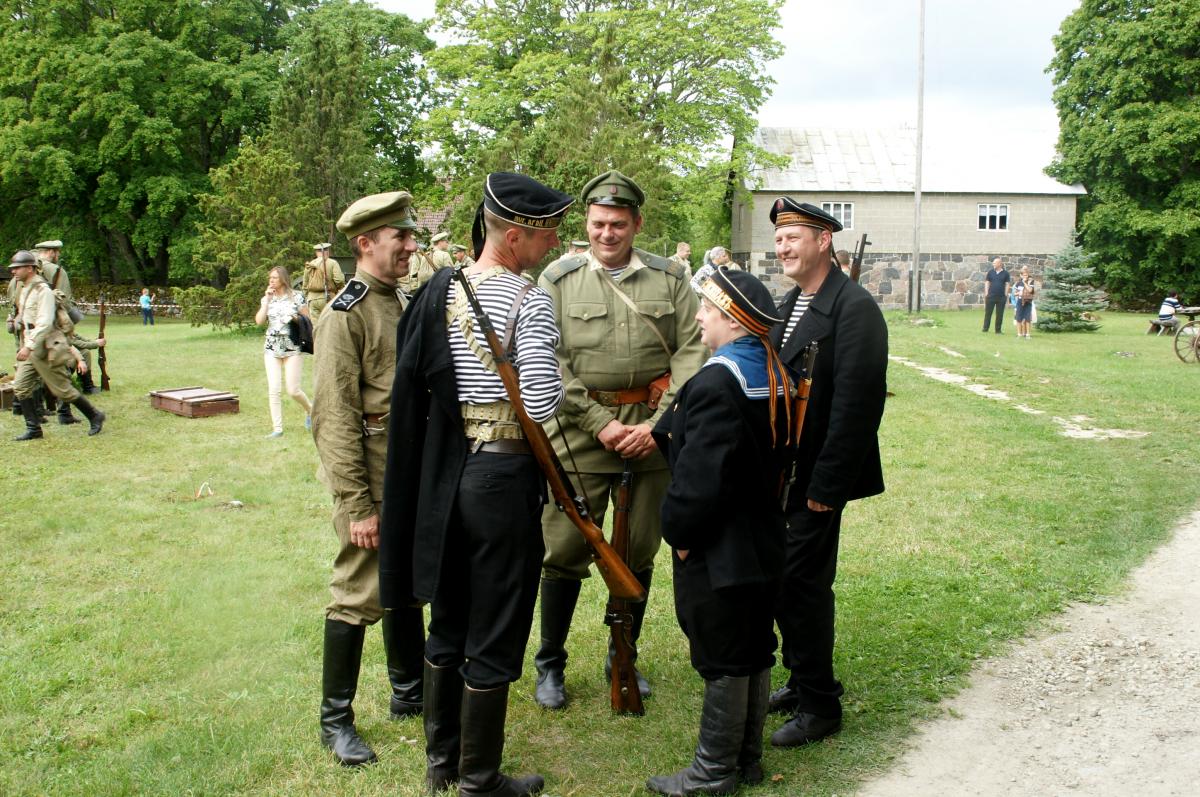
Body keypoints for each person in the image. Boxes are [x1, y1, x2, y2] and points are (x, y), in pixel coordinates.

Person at [379, 172, 573, 796]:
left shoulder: (437, 290)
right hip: (503, 476)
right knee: (495, 623)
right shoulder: (530, 299)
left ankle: (442, 766)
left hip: (448, 471)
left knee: (451, 616)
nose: (553, 244)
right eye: (546, 234)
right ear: (514, 237)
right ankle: (480, 779)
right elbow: (541, 402)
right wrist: (563, 381)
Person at [532, 169, 707, 710]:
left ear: (637, 224)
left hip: (651, 433)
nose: (608, 234)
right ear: (586, 223)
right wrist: (599, 423)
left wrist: (658, 427)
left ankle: (622, 655)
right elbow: (548, 362)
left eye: (619, 224)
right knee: (562, 550)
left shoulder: (671, 280)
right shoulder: (557, 281)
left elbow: (693, 351)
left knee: (637, 550)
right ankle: (551, 664)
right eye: (599, 223)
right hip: (580, 433)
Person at [647, 268, 795, 796]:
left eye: (707, 309)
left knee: (727, 651)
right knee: (753, 645)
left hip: (722, 547)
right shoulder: (776, 371)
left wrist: (680, 534)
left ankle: (712, 774)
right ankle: (746, 760)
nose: (698, 317)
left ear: (733, 320)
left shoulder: (716, 382)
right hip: (764, 536)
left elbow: (700, 479)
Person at [309, 191, 427, 767]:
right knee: (359, 590)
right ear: (365, 243)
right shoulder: (345, 313)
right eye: (400, 237)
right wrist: (357, 505)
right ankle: (336, 721)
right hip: (371, 470)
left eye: (410, 235)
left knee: (404, 581)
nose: (412, 245)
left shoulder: (400, 300)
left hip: (409, 466)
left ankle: (409, 692)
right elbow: (332, 418)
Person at [765, 198, 888, 747]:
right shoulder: (794, 301)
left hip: (816, 480)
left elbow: (858, 408)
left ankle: (820, 705)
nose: (784, 247)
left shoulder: (853, 307)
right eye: (779, 238)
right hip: (787, 474)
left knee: (803, 588)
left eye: (794, 237)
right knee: (787, 584)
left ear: (823, 241)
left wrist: (826, 491)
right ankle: (798, 680)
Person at [7, 250, 106, 440]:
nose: (13, 272)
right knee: (20, 386)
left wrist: (29, 346)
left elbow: (44, 322)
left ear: (29, 268)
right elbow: (26, 317)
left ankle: (95, 416)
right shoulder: (26, 287)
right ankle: (34, 429)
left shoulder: (41, 290)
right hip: (31, 344)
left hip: (44, 346)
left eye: (17, 268)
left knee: (63, 390)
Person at [254, 266, 312, 438]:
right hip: (272, 348)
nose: (271, 281)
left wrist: (293, 317)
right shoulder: (268, 298)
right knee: (274, 389)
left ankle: (311, 411)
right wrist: (266, 302)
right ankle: (277, 429)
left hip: (292, 348)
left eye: (275, 278)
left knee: (293, 390)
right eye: (270, 278)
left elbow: (307, 320)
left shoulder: (297, 296)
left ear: (283, 280)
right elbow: (259, 321)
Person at [303, 243, 345, 325]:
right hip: (328, 297)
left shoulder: (310, 264)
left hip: (312, 299)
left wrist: (308, 297)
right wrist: (337, 289)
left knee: (316, 327)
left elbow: (305, 283)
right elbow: (339, 280)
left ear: (316, 252)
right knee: (330, 325)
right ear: (327, 251)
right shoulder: (332, 263)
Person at [982, 257, 1011, 334]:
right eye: (993, 263)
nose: (993, 264)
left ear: (999, 264)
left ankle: (998, 330)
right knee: (988, 313)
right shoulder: (990, 272)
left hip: (1001, 297)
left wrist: (1005, 294)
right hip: (991, 296)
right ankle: (985, 329)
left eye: (995, 263)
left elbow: (1007, 284)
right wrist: (986, 293)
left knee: (999, 314)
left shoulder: (1006, 273)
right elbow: (987, 282)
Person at [1014, 266, 1036, 339]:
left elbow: (1030, 290)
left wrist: (1025, 283)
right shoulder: (1018, 283)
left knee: (1027, 318)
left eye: (1026, 275)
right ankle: (1019, 334)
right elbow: (1015, 293)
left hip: (1028, 301)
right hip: (1020, 301)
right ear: (1021, 275)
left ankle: (1028, 334)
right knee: (1018, 318)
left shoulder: (1031, 281)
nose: (1025, 276)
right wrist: (1019, 293)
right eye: (1023, 275)